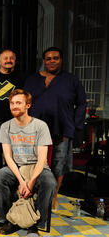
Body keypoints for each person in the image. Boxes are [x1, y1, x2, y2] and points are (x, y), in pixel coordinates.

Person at [24, 47, 86, 209]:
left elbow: (81, 103)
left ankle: (53, 196)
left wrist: (75, 125)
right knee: (33, 163)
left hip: (62, 129)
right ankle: (31, 193)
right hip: (34, 130)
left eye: (55, 58)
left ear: (61, 60)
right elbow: (23, 102)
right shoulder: (32, 80)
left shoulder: (71, 80)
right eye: (48, 58)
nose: (52, 61)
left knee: (59, 164)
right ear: (44, 61)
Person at [0, 89, 57, 236]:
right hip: (16, 166)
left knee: (50, 182)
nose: (14, 106)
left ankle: (36, 222)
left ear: (28, 105)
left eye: (19, 103)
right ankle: (9, 219)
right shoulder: (5, 127)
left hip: (37, 167)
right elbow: (8, 157)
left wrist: (31, 182)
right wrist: (22, 182)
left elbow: (42, 159)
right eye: (12, 103)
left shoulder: (40, 126)